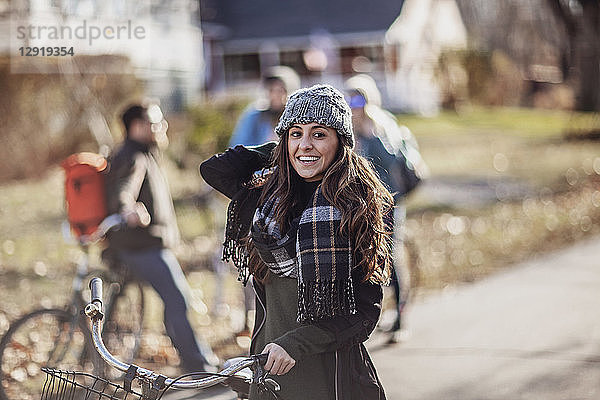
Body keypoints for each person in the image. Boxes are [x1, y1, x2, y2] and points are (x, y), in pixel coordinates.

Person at [200, 84, 392, 399]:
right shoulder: (269, 198)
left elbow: (364, 312)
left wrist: (294, 344)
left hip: (329, 379)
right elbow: (214, 169)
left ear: (340, 143)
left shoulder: (356, 206)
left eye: (319, 134)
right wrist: (281, 151)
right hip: (269, 375)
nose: (306, 145)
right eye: (296, 133)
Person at [105, 102, 218, 373]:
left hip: (141, 246)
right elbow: (123, 189)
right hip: (142, 247)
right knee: (178, 299)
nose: (161, 127)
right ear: (137, 126)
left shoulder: (144, 153)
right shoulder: (133, 157)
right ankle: (199, 367)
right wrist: (127, 209)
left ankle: (196, 361)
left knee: (171, 301)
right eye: (155, 123)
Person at [345, 74, 428, 343]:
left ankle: (401, 320)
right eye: (349, 98)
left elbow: (391, 161)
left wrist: (370, 133)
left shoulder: (383, 123)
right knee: (365, 261)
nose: (354, 104)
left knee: (389, 258)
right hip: (360, 204)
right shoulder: (347, 130)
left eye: (358, 98)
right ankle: (375, 315)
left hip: (389, 203)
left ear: (370, 99)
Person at [225, 66, 301, 336]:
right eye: (270, 91)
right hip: (260, 201)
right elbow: (238, 151)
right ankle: (252, 320)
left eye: (281, 91)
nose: (275, 97)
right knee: (252, 259)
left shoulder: (298, 119)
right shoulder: (254, 117)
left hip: (293, 201)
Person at [229, 65, 301, 147]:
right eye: (271, 90)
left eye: (281, 91)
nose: (276, 95)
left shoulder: (297, 116)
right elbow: (238, 146)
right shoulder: (254, 115)